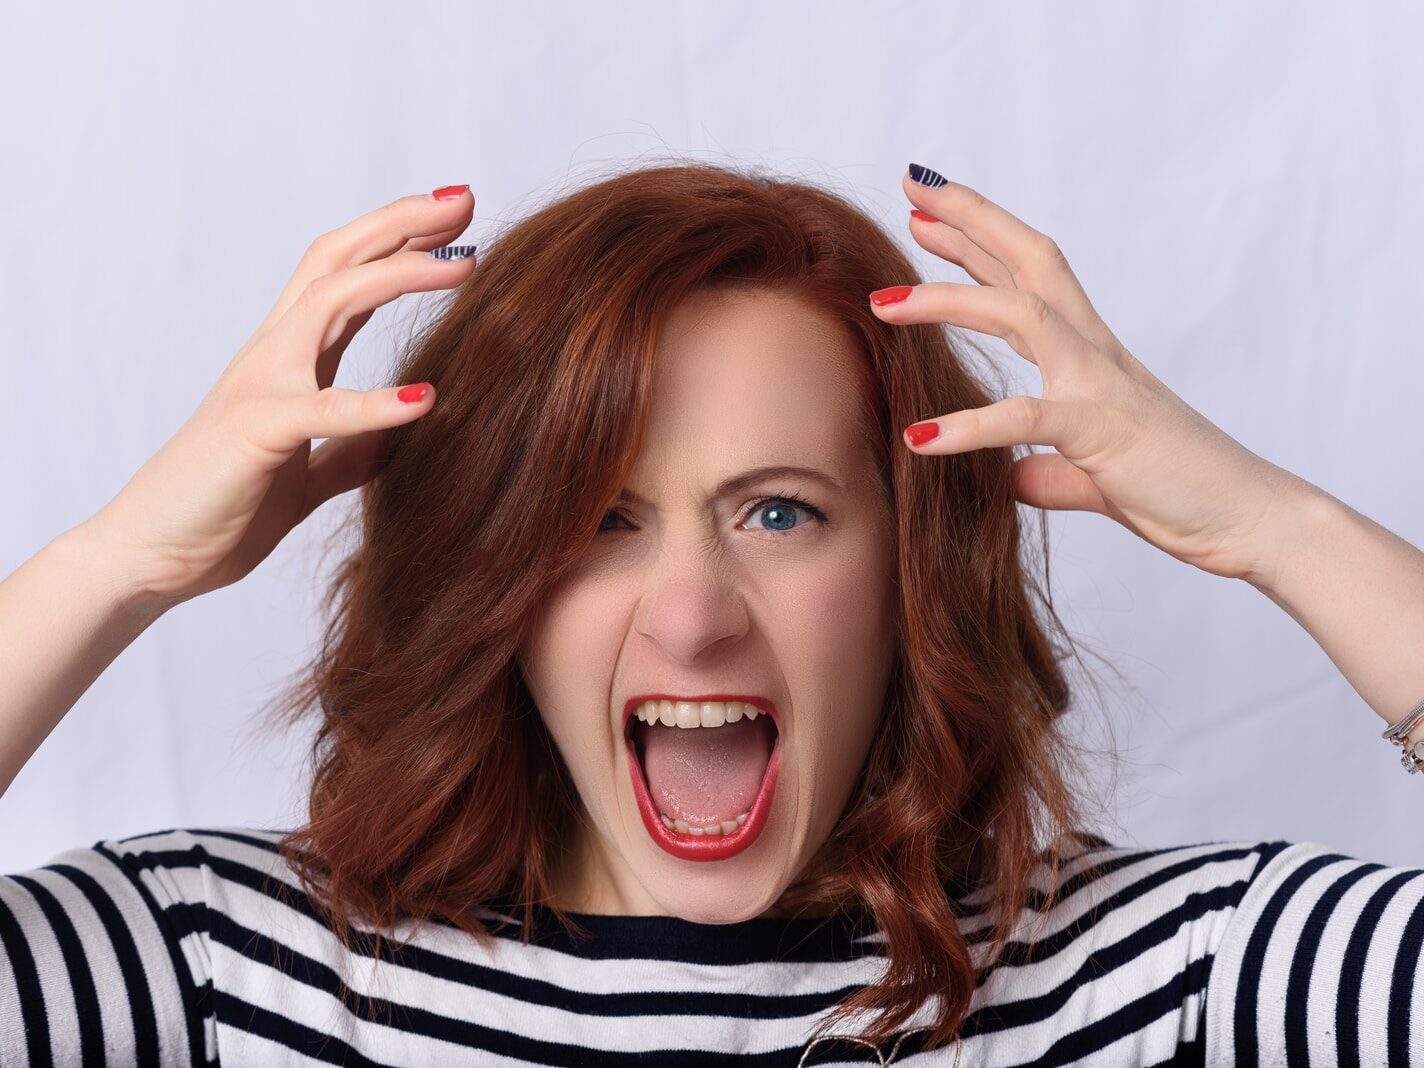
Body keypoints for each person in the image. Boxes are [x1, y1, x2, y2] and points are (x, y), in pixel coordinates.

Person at [1, 162, 1421, 1067]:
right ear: (494, 576)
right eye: (595, 520)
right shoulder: (216, 964)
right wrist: (119, 560)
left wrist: (1275, 527)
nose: (691, 617)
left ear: (910, 567)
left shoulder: (1169, 976)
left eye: (779, 512)